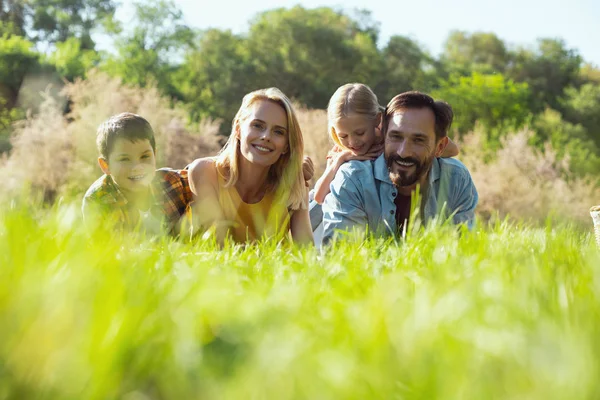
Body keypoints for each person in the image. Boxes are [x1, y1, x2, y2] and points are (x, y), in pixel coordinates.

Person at [321, 91, 478, 246]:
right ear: (384, 133)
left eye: (418, 140)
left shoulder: (456, 179)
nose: (403, 152)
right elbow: (341, 255)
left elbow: (461, 254)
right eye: (395, 137)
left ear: (440, 147)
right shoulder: (352, 178)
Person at [187, 88, 313, 244]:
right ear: (239, 130)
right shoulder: (205, 172)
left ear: (286, 146)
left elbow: (306, 250)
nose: (266, 136)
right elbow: (217, 246)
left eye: (278, 132)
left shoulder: (293, 182)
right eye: (258, 126)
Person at [312, 83, 459, 205]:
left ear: (377, 120)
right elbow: (319, 197)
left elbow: (452, 150)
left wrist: (391, 148)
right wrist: (341, 159)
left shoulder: (391, 136)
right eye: (343, 135)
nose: (352, 142)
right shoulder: (340, 150)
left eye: (360, 133)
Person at [82, 112, 192, 235]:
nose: (137, 167)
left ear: (154, 156)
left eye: (145, 156)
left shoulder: (171, 181)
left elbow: (208, 170)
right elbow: (107, 251)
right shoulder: (98, 200)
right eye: (124, 159)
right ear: (105, 165)